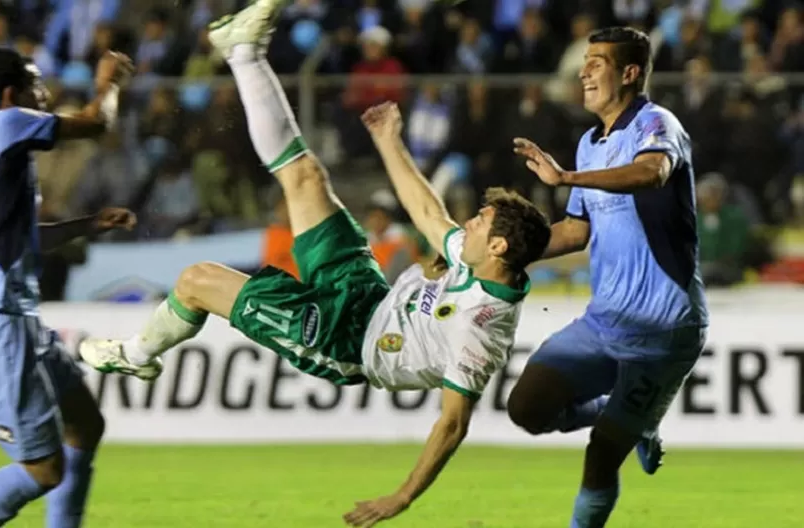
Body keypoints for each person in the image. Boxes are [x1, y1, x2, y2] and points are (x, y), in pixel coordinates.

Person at [77, 1, 550, 526]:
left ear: (501, 249)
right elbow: (426, 211)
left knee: (194, 282)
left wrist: (402, 497)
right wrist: (388, 141)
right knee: (304, 176)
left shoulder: (481, 330)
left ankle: (135, 353)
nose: (472, 225)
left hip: (345, 341)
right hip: (366, 293)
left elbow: (452, 425)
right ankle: (243, 51)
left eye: (483, 222)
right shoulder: (474, 257)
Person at [510, 27, 708, 528]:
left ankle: (629, 425)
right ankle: (630, 417)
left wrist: (566, 178)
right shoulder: (587, 142)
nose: (583, 71)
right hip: (604, 323)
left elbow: (652, 174)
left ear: (630, 72)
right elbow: (576, 231)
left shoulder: (656, 123)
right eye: (584, 61)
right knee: (527, 409)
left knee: (601, 456)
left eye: (596, 62)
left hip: (664, 329)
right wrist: (503, 257)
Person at [0, 47, 137, 528]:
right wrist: (108, 81)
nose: (44, 95)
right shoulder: (7, 125)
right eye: (36, 84)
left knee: (84, 424)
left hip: (11, 318)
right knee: (43, 470)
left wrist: (87, 224)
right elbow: (96, 123)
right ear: (12, 95)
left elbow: (16, 240)